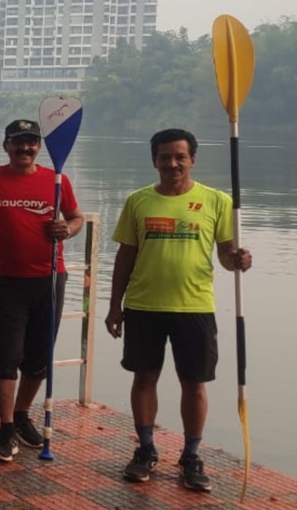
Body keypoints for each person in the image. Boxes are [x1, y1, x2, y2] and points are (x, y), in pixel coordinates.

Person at [105, 128, 251, 492]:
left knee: (194, 383)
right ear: (154, 160)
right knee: (144, 378)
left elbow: (226, 254)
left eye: (180, 157)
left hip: (194, 307)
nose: (172, 164)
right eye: (165, 157)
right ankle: (146, 450)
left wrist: (238, 259)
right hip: (143, 305)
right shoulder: (138, 201)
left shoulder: (216, 200)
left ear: (192, 159)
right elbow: (125, 256)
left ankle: (191, 455)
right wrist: (114, 306)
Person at [0, 119, 85, 461]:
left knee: (38, 356)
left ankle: (21, 414)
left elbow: (76, 217)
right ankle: (5, 429)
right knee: (6, 356)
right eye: (18, 142)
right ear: (6, 146)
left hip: (49, 279)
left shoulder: (56, 180)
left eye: (31, 142)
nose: (25, 148)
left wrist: (68, 229)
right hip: (4, 281)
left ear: (39, 147)